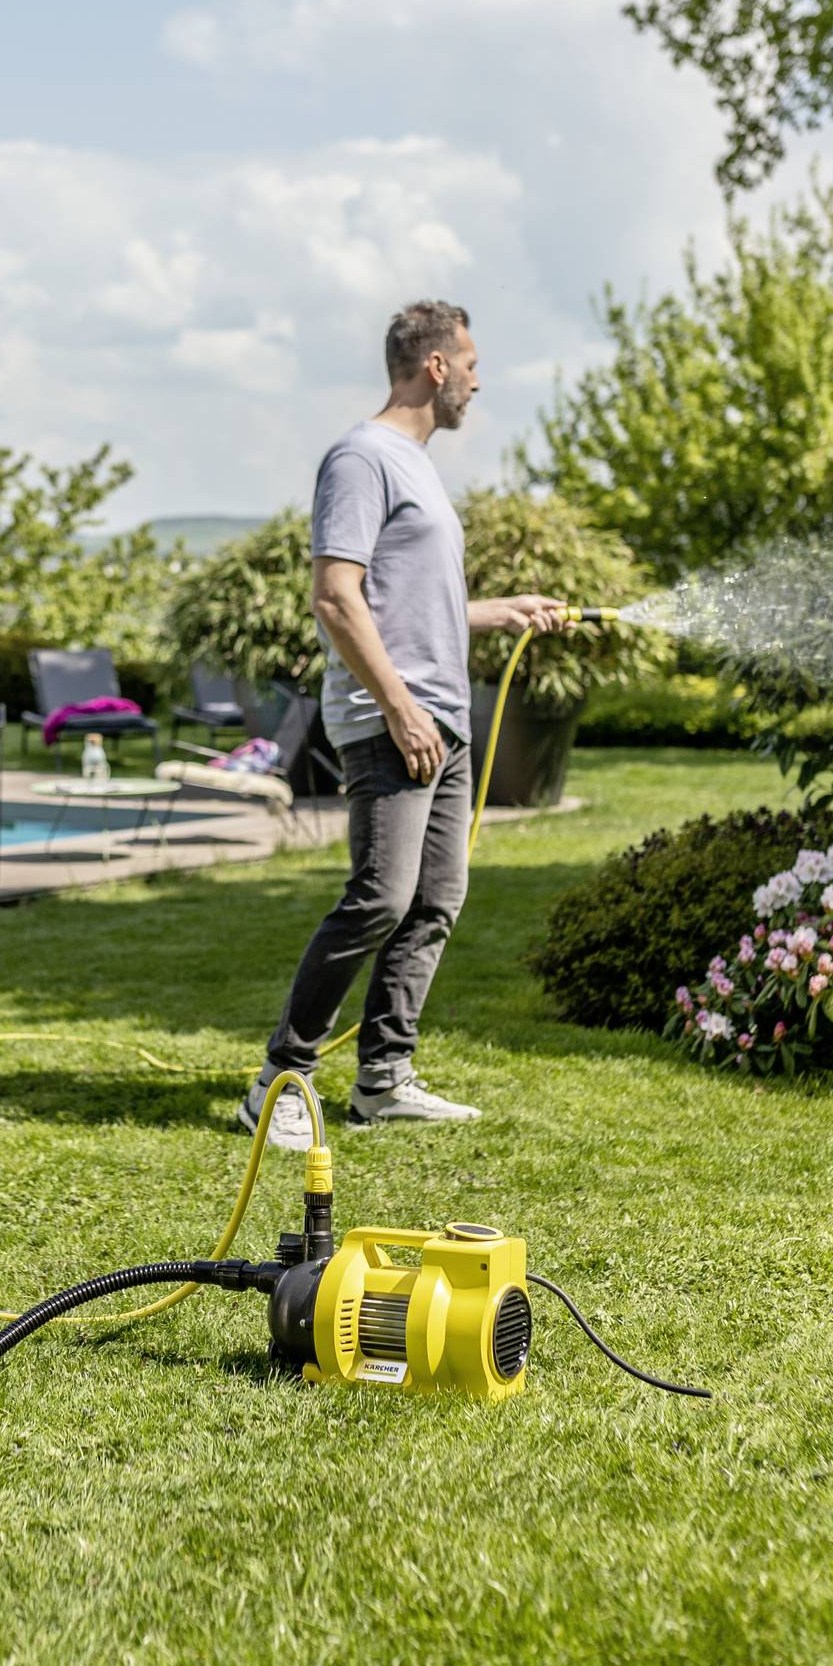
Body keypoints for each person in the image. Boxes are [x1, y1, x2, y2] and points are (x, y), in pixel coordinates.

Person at [240, 299, 565, 1147]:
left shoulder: (419, 468)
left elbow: (423, 603)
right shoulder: (361, 459)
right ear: (435, 367)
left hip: (442, 718)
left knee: (435, 900)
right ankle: (281, 1081)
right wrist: (398, 705)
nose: (478, 380)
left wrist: (503, 611)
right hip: (397, 718)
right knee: (382, 895)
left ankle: (383, 1078)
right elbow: (336, 597)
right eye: (471, 362)